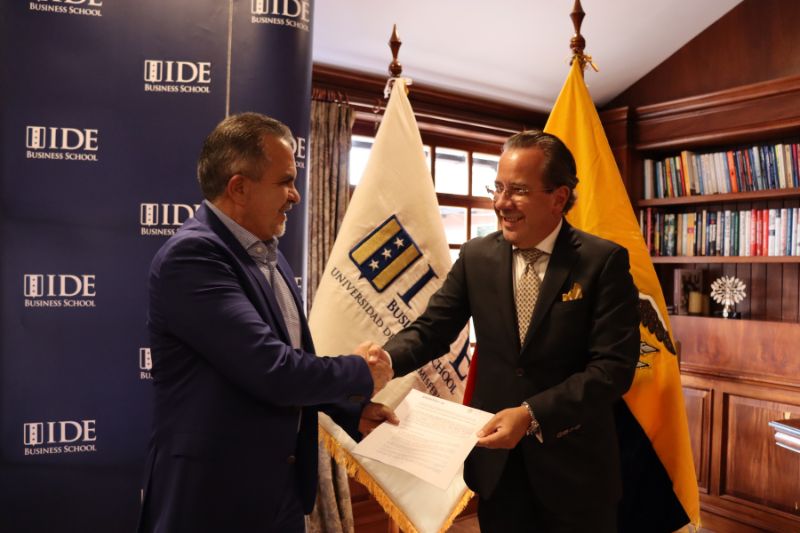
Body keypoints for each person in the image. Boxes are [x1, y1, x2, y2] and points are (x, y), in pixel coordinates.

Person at [137, 112, 395, 533]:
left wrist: (349, 409)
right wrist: (360, 372)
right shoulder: (193, 258)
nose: (295, 195)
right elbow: (271, 369)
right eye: (285, 181)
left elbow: (281, 364)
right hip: (213, 498)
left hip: (278, 493)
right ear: (239, 187)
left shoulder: (267, 253)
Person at [381, 130, 640, 532]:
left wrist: (532, 414)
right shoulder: (476, 256)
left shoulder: (602, 262)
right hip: (498, 474)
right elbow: (432, 330)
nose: (501, 203)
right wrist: (383, 361)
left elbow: (613, 369)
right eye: (498, 187)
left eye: (518, 190)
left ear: (558, 198)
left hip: (576, 475)